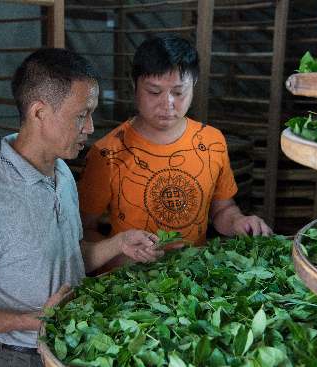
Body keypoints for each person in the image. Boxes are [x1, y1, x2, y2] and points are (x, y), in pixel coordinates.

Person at [0, 48, 166, 367]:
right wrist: (34, 320)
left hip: (72, 347)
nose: (90, 128)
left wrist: (117, 245)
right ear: (39, 112)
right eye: (82, 115)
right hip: (20, 357)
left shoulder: (61, 171)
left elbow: (65, 258)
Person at [77, 34, 272, 272]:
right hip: (127, 281)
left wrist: (239, 222)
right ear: (134, 85)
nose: (167, 104)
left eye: (178, 92)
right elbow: (84, 233)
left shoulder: (212, 142)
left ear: (195, 84)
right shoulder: (107, 153)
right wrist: (124, 254)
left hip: (190, 279)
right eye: (154, 92)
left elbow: (222, 210)